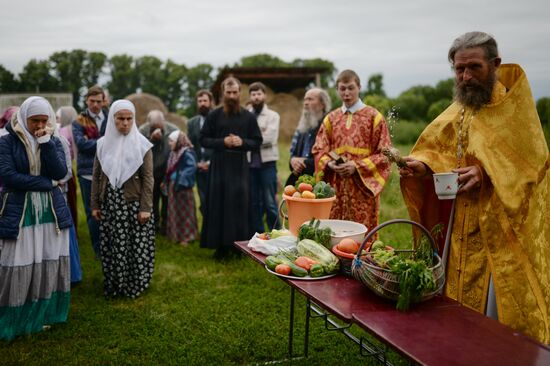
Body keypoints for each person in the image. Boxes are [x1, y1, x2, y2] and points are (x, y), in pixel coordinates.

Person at [399, 32, 550, 344]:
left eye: (473, 68)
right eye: (458, 69)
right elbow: (441, 147)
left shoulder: (514, 108)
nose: (465, 77)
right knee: (455, 289)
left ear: (494, 64)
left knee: (496, 312)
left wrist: (486, 173)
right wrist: (424, 166)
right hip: (462, 219)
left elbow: (533, 162)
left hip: (500, 228)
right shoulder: (463, 105)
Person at [0, 96, 72, 340]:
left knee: (46, 258)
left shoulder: (55, 140)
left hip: (50, 211)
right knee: (19, 260)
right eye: (35, 121)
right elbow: (9, 177)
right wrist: (48, 183)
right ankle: (16, 317)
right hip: (21, 210)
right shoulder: (6, 141)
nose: (40, 125)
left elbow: (61, 173)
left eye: (44, 120)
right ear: (23, 118)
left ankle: (43, 314)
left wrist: (46, 142)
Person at [312, 70, 391, 231]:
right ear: (337, 90)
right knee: (334, 231)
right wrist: (329, 164)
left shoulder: (373, 117)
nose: (346, 93)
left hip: (362, 187)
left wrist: (357, 166)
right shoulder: (331, 119)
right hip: (336, 186)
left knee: (362, 232)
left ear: (359, 87)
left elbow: (385, 153)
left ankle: (362, 256)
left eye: (350, 88)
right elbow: (319, 148)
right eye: (342, 89)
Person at [91, 100, 155, 298]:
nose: (125, 123)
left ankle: (135, 283)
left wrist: (145, 207)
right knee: (114, 244)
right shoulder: (102, 145)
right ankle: (114, 282)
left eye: (129, 119)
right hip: (111, 203)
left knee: (135, 245)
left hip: (133, 203)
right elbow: (96, 176)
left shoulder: (142, 144)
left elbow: (148, 178)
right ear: (113, 119)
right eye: (120, 119)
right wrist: (95, 204)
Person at [199, 77, 262, 258]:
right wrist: (222, 141)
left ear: (239, 93)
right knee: (219, 204)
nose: (232, 96)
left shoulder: (248, 117)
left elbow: (257, 141)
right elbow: (203, 139)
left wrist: (242, 142)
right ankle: (220, 246)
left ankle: (238, 247)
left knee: (238, 205)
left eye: (235, 93)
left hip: (240, 167)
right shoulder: (214, 115)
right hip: (219, 165)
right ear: (223, 93)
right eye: (229, 93)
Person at [72, 85, 108, 258]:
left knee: (109, 208)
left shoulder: (111, 117)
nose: (95, 105)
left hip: (110, 170)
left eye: (98, 101)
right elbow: (82, 145)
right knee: (92, 210)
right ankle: (98, 249)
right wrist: (106, 141)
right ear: (86, 100)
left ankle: (111, 244)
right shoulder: (78, 121)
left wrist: (92, 140)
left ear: (104, 101)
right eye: (92, 101)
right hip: (87, 171)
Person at [247, 82, 280, 233]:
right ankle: (258, 233)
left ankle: (276, 232)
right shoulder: (245, 115)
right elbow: (245, 137)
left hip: (267, 165)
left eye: (259, 94)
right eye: (253, 94)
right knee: (254, 203)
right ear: (250, 97)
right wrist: (260, 132)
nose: (256, 97)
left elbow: (270, 139)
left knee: (270, 202)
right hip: (250, 166)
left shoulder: (273, 116)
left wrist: (250, 140)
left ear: (264, 96)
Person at [139, 110, 178, 235]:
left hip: (168, 172)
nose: (158, 129)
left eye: (160, 126)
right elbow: (138, 149)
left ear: (163, 122)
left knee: (167, 200)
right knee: (152, 199)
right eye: (154, 126)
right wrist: (151, 139)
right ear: (149, 123)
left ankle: (166, 226)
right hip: (150, 172)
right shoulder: (142, 130)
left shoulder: (173, 129)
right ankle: (153, 225)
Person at [286, 88, 331, 187]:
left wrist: (304, 162)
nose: (306, 103)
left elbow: (329, 158)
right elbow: (293, 156)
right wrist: (293, 161)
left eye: (310, 99)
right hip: (301, 183)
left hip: (320, 184)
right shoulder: (303, 127)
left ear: (322, 105)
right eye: (305, 99)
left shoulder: (329, 126)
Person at [164, 130, 198, 246]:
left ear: (178, 141)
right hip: (174, 185)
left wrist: (180, 179)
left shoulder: (186, 152)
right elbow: (170, 168)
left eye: (171, 141)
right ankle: (176, 235)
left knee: (185, 212)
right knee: (175, 211)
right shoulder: (174, 153)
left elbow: (191, 167)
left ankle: (187, 237)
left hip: (183, 187)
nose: (169, 143)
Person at [56, 106, 79, 236]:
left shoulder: (63, 131)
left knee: (68, 202)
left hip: (64, 171)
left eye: (59, 117)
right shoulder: (73, 130)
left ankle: (70, 232)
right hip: (69, 170)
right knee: (71, 202)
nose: (57, 120)